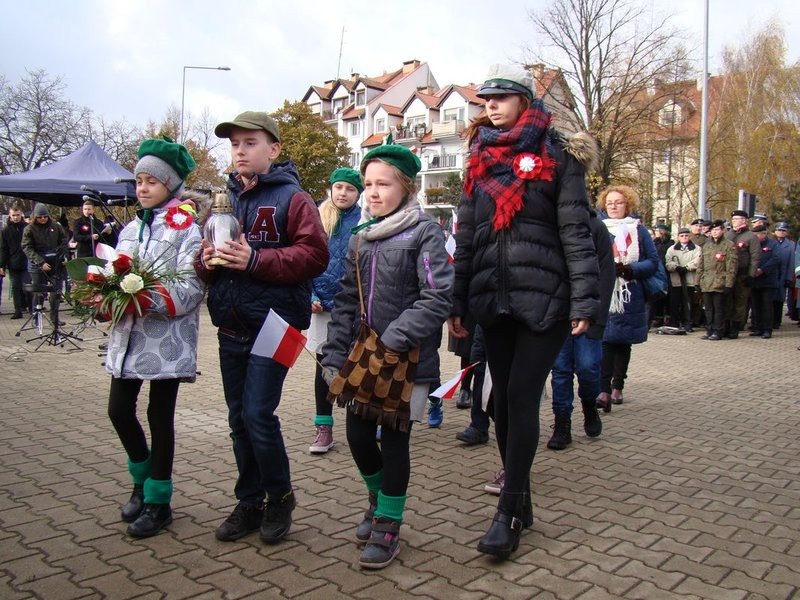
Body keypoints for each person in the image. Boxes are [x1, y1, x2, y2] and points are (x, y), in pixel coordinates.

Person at [448, 65, 599, 560]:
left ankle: (508, 511)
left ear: (525, 100)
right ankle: (522, 497)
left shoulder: (557, 152)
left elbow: (576, 231)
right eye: (485, 98)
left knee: (519, 396)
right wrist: (457, 300)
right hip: (493, 298)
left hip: (544, 298)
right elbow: (468, 235)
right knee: (499, 405)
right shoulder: (478, 157)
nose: (490, 105)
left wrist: (584, 301)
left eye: (501, 97)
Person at [195, 112, 328, 545]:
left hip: (279, 325)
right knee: (238, 418)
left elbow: (314, 256)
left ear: (272, 149)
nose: (239, 151)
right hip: (231, 323)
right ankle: (249, 500)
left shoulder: (295, 198)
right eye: (234, 144)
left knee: (257, 414)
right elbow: (205, 260)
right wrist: (207, 261)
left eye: (249, 143)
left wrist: (255, 260)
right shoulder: (223, 203)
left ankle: (280, 496)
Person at [321, 144, 453, 569]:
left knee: (395, 440)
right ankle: (378, 501)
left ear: (406, 187)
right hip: (364, 357)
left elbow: (438, 296)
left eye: (383, 184)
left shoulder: (424, 232)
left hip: (406, 358)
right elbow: (345, 300)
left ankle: (389, 524)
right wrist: (334, 354)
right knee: (358, 437)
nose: (372, 193)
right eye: (368, 185)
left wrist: (395, 338)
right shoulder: (361, 237)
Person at [105, 137, 206, 537]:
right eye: (138, 181)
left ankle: (159, 501)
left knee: (158, 415)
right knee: (118, 410)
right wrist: (106, 294)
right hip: (127, 337)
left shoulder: (187, 228)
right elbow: (113, 271)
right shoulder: (130, 228)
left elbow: (192, 288)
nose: (142, 188)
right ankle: (141, 481)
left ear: (171, 184)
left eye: (151, 181)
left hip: (166, 339)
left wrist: (143, 296)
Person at [547, 209, 615, 450]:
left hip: (588, 313)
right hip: (558, 314)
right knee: (561, 370)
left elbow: (607, 276)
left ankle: (589, 404)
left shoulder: (596, 227)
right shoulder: (550, 224)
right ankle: (562, 423)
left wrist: (597, 317)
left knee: (588, 367)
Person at [307, 167, 362, 454]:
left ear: (358, 193)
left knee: (357, 364)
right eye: (338, 187)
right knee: (323, 367)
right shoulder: (317, 218)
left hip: (352, 307)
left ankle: (366, 421)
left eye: (350, 189)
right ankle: (323, 427)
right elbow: (305, 259)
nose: (343, 193)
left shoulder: (364, 220)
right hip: (322, 307)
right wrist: (310, 294)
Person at [595, 185, 659, 410]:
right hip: (604, 291)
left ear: (627, 205)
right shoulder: (598, 227)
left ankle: (617, 385)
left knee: (622, 342)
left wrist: (630, 270)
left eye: (618, 202)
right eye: (609, 202)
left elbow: (653, 261)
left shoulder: (639, 230)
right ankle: (602, 389)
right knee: (603, 341)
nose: (613, 206)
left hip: (630, 291)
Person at [21, 203, 68, 326]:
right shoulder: (29, 229)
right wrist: (40, 262)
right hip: (37, 263)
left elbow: (63, 242)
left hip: (54, 262)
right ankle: (36, 318)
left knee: (55, 292)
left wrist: (61, 256)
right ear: (35, 217)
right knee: (39, 292)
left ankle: (54, 319)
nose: (43, 219)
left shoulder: (56, 227)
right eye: (40, 217)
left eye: (45, 216)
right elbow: (27, 247)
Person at [696, 220, 737, 340]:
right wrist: (697, 282)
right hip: (707, 281)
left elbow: (732, 267)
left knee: (719, 309)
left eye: (717, 230)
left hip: (720, 281)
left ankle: (718, 330)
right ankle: (709, 330)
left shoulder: (728, 245)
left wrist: (729, 284)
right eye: (712, 230)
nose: (714, 232)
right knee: (708, 309)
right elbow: (701, 265)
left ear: (723, 230)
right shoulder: (707, 246)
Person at [724, 209, 761, 339]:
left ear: (744, 220)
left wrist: (751, 275)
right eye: (733, 219)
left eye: (737, 219)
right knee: (727, 301)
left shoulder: (751, 236)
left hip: (742, 274)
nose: (734, 221)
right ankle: (726, 326)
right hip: (728, 275)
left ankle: (735, 328)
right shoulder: (728, 235)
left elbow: (755, 257)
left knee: (740, 302)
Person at [664, 227, 701, 332]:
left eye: (686, 235)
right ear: (678, 237)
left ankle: (688, 322)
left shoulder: (696, 248)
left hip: (689, 280)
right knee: (674, 302)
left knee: (688, 302)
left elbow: (697, 260)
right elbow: (668, 261)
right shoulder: (672, 249)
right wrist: (675, 267)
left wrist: (687, 268)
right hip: (676, 279)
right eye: (682, 236)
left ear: (689, 236)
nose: (684, 237)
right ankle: (674, 322)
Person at [748, 223, 780, 338]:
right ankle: (757, 328)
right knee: (755, 306)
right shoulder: (752, 244)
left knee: (766, 306)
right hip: (754, 280)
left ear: (763, 234)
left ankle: (767, 329)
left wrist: (762, 270)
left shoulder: (773, 244)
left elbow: (775, 259)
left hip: (767, 281)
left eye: (757, 234)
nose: (755, 237)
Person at [0, 203, 29, 319]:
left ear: (21, 214)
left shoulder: (27, 228)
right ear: (10, 215)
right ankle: (18, 310)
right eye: (13, 215)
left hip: (27, 262)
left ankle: (29, 307)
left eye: (17, 215)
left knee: (27, 287)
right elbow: (3, 249)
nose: (15, 217)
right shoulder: (5, 231)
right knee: (15, 287)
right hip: (13, 263)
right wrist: (2, 265)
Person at [772, 222, 795, 326]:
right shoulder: (770, 242)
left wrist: (789, 278)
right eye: (779, 230)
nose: (781, 232)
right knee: (769, 299)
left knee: (779, 298)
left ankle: (777, 321)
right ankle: (768, 320)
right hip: (771, 273)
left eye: (783, 231)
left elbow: (791, 263)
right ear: (775, 231)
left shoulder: (791, 244)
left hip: (783, 274)